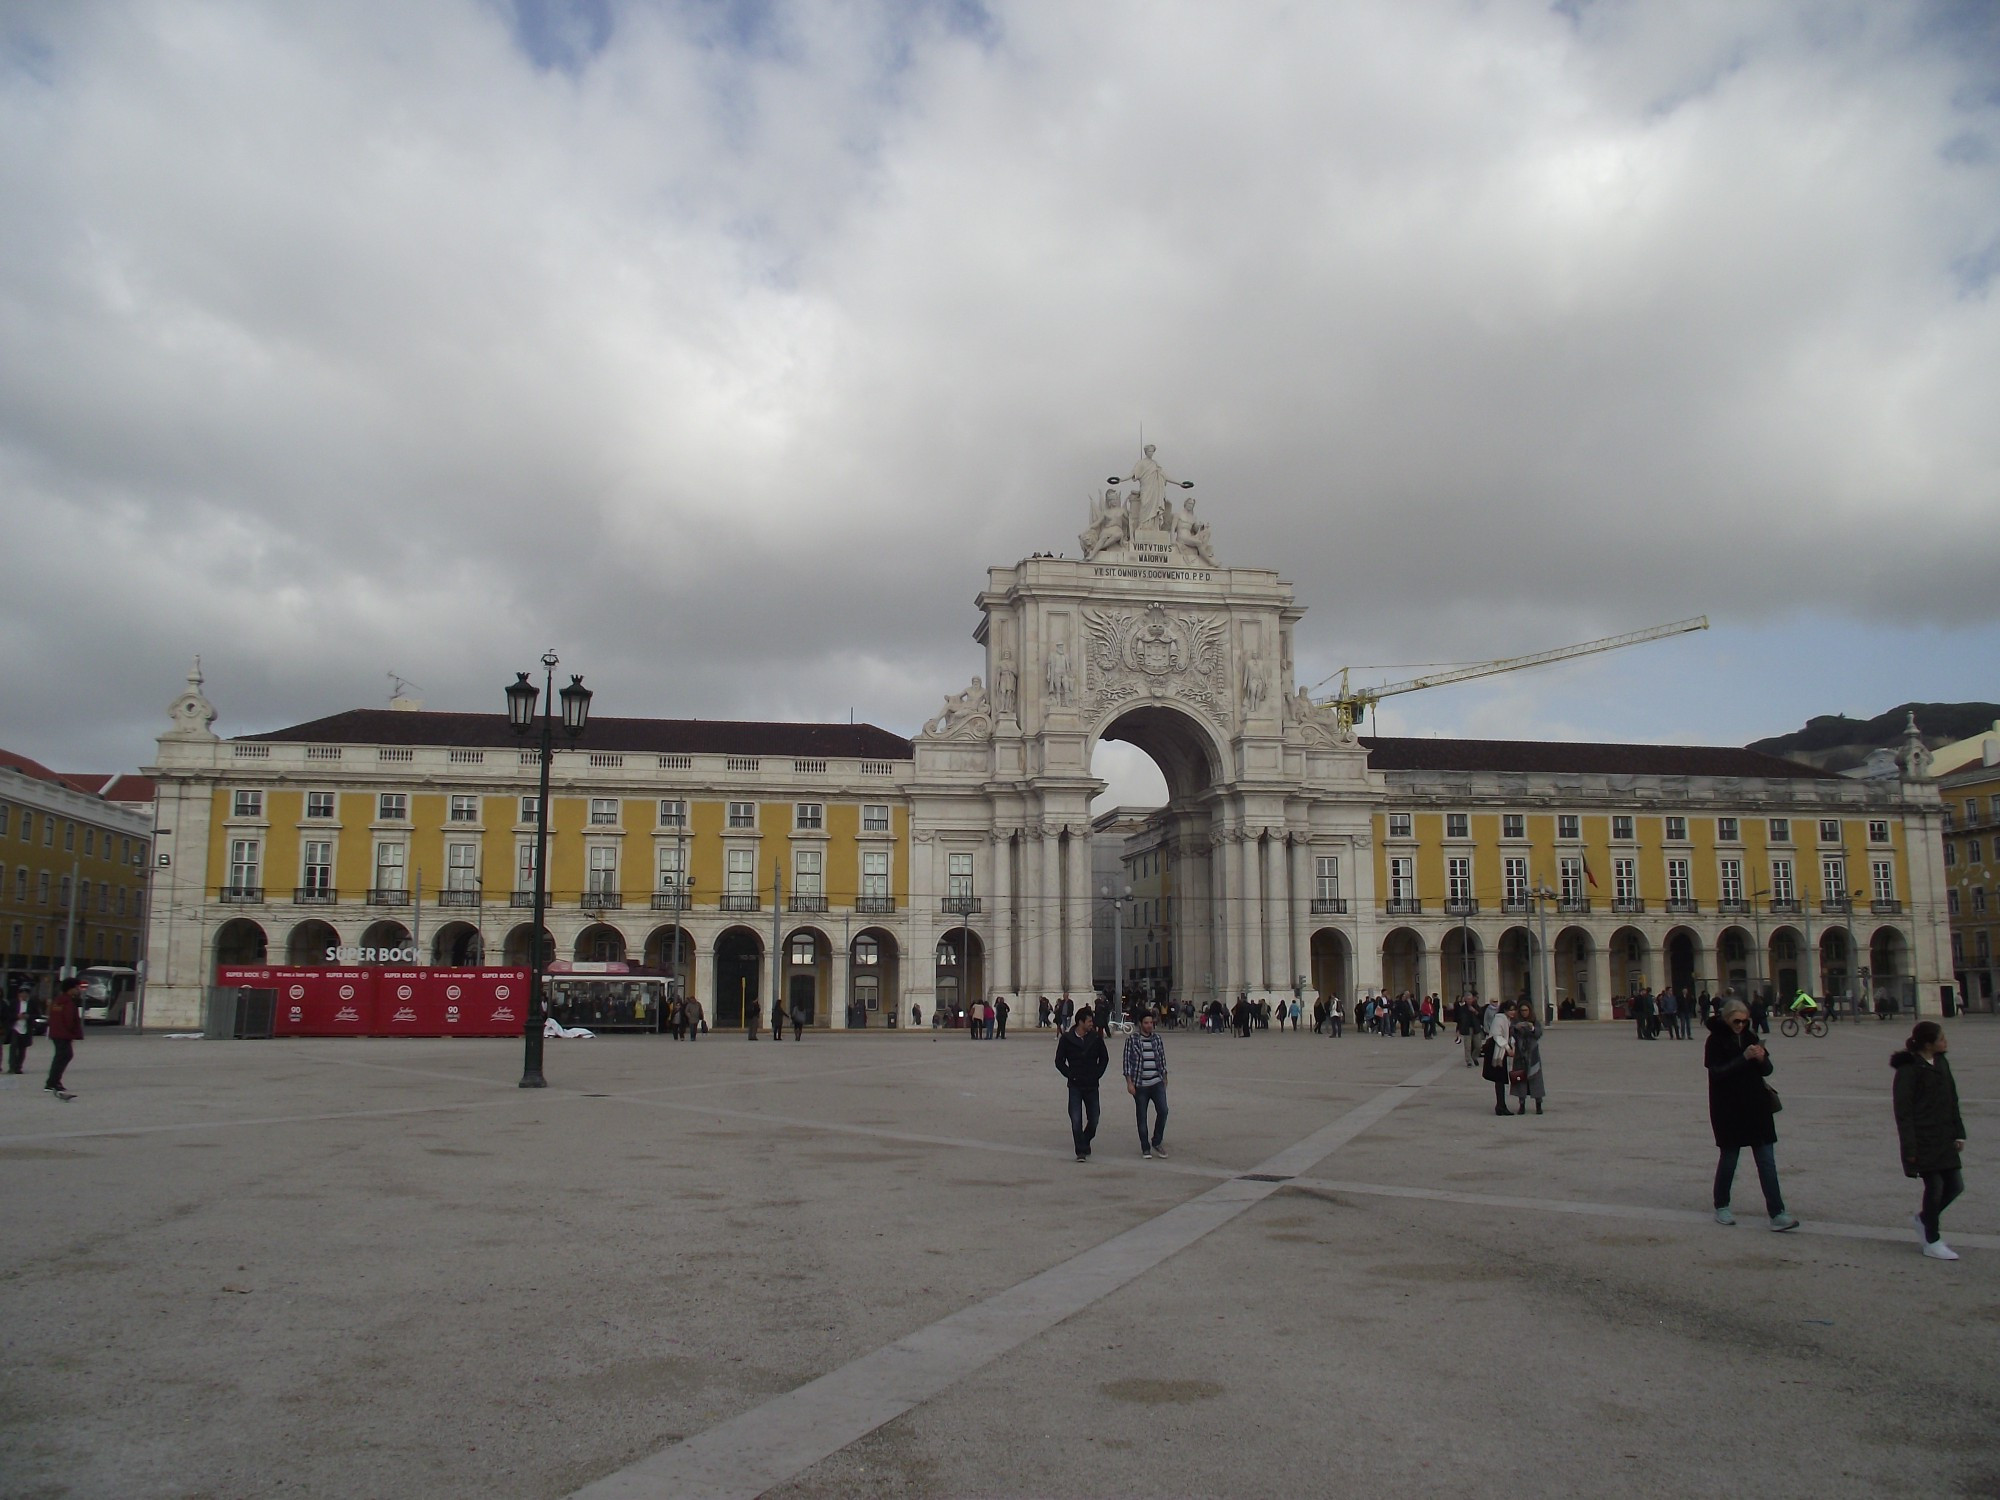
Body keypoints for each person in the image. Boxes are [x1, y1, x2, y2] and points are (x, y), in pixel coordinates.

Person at [1706, 999, 1797, 1230]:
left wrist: (1761, 1058)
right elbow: (1717, 1073)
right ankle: (1722, 1205)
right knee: (1729, 1159)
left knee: (1767, 1162)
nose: (1740, 1025)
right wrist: (1743, 1058)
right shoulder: (1715, 1041)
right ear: (1726, 1019)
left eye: (1744, 1021)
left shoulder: (1751, 1036)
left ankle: (1777, 1213)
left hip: (1757, 1107)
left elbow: (1767, 1070)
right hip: (1728, 1108)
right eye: (1736, 1021)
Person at [1892, 1021, 1967, 1260]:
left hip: (1943, 1134)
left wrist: (1958, 1132)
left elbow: (1952, 1098)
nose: (1945, 1041)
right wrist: (1910, 1149)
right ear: (1928, 1043)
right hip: (1923, 1136)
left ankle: (1924, 1219)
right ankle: (1932, 1240)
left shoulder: (1941, 1062)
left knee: (1955, 1186)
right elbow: (1903, 1113)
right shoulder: (1909, 1070)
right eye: (1941, 1038)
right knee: (1934, 1188)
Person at [1054, 1007, 1109, 1161]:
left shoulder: (1096, 1038)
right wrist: (1070, 1074)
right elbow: (1059, 1061)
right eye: (1090, 1021)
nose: (1092, 1023)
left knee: (1094, 1118)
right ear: (1080, 1022)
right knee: (1076, 1119)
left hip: (1091, 1084)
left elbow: (1104, 1058)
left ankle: (1085, 1140)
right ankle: (1080, 1151)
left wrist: (1097, 1074)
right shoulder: (1066, 1038)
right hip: (1075, 1084)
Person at [1122, 1009, 1170, 1158]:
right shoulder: (1132, 1040)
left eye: (1151, 1023)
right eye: (1146, 1023)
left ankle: (1157, 1141)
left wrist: (1165, 1077)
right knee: (1141, 1116)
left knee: (1163, 1111)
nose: (1150, 1025)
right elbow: (1127, 1063)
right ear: (1140, 1024)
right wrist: (1129, 1083)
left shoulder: (1157, 1039)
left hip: (1156, 1082)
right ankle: (1145, 1147)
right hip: (1140, 1084)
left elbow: (1162, 1058)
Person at [44, 976, 82, 1101]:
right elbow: (70, 1020)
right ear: (70, 989)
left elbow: (53, 1017)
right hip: (64, 1034)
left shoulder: (57, 1001)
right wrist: (73, 1032)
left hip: (56, 1033)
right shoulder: (69, 1002)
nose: (78, 990)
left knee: (62, 1056)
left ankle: (54, 1081)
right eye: (76, 988)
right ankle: (52, 1082)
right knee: (64, 1056)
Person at [1508, 1001, 1546, 1115]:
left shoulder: (1534, 1021)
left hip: (1533, 1054)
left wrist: (1532, 1028)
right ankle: (1521, 1104)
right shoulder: (1516, 1021)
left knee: (1536, 1079)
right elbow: (1510, 1032)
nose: (1524, 1013)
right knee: (1520, 1079)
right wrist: (1516, 1028)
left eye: (1526, 1010)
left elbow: (1539, 1033)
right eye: (1522, 1010)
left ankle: (1538, 1104)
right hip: (1520, 1055)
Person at [1482, 999, 1514, 1116]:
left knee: (1500, 1079)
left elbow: (1509, 1036)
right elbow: (1497, 1035)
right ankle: (1500, 1106)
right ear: (1505, 1010)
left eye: (1514, 1010)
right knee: (1499, 1079)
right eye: (1510, 1010)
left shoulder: (1507, 1019)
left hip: (1500, 1051)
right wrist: (1508, 1048)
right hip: (1496, 1052)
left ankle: (1501, 1105)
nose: (1513, 1012)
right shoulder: (1499, 1019)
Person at [5, 982, 39, 1075]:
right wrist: (17, 1016)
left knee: (22, 1049)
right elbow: (8, 1015)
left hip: (26, 1028)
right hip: (15, 1028)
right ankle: (12, 1067)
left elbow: (37, 1014)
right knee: (13, 1047)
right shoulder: (13, 1002)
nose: (24, 994)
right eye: (22, 992)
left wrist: (28, 1016)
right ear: (19, 993)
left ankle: (18, 1067)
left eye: (26, 993)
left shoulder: (32, 1003)